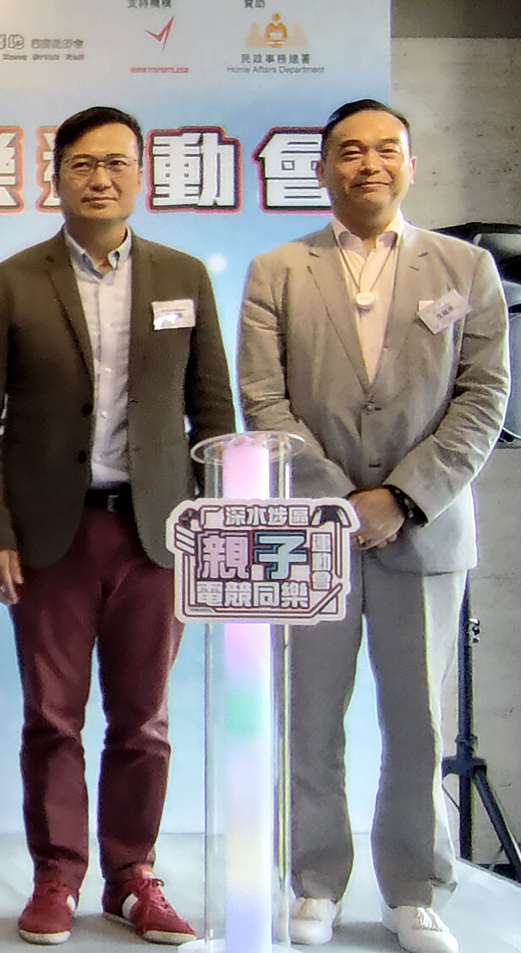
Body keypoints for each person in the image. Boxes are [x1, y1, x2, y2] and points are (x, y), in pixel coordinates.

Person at [0, 106, 234, 946]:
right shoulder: (12, 280)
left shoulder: (184, 276)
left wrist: (213, 528)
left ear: (140, 175)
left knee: (143, 718)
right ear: (58, 176)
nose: (100, 178)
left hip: (157, 533)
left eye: (116, 163)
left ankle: (132, 876)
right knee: (52, 716)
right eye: (83, 164)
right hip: (50, 532)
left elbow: (212, 407)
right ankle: (57, 876)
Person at [239, 99, 509, 953]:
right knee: (309, 719)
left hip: (426, 532)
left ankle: (415, 888)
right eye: (349, 152)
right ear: (321, 168)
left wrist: (400, 498)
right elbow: (264, 398)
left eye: (386, 150)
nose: (368, 165)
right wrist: (336, 499)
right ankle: (315, 881)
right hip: (311, 535)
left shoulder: (465, 269)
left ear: (411, 164)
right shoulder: (278, 268)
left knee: (419, 722)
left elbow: (483, 399)